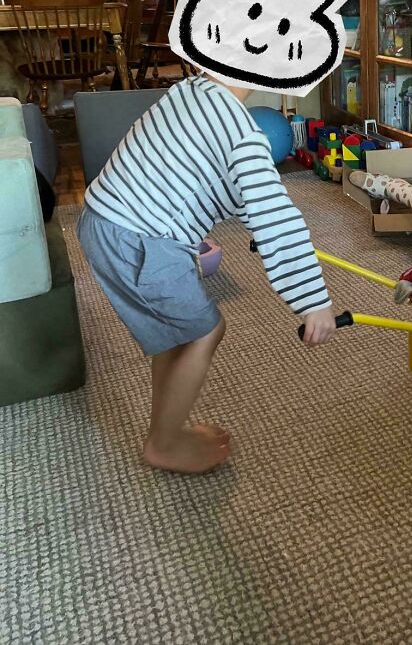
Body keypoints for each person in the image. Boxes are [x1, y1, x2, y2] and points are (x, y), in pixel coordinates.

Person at [77, 73, 337, 475]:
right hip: (140, 237)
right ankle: (163, 444)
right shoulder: (242, 137)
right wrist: (313, 301)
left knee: (174, 337)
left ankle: (168, 427)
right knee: (204, 330)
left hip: (105, 218)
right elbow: (277, 218)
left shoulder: (192, 90)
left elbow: (198, 178)